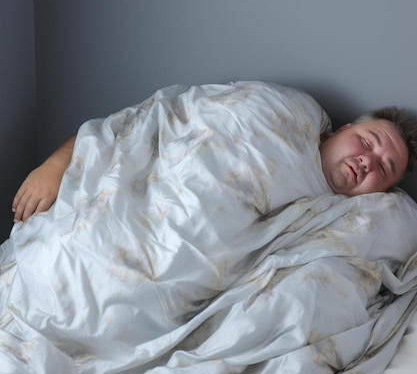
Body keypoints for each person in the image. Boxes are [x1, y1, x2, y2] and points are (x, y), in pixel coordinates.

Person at [11, 105, 417, 224]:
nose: (368, 162)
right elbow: (148, 120)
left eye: (384, 169)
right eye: (368, 143)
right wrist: (56, 163)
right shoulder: (277, 113)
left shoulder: (349, 226)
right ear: (341, 129)